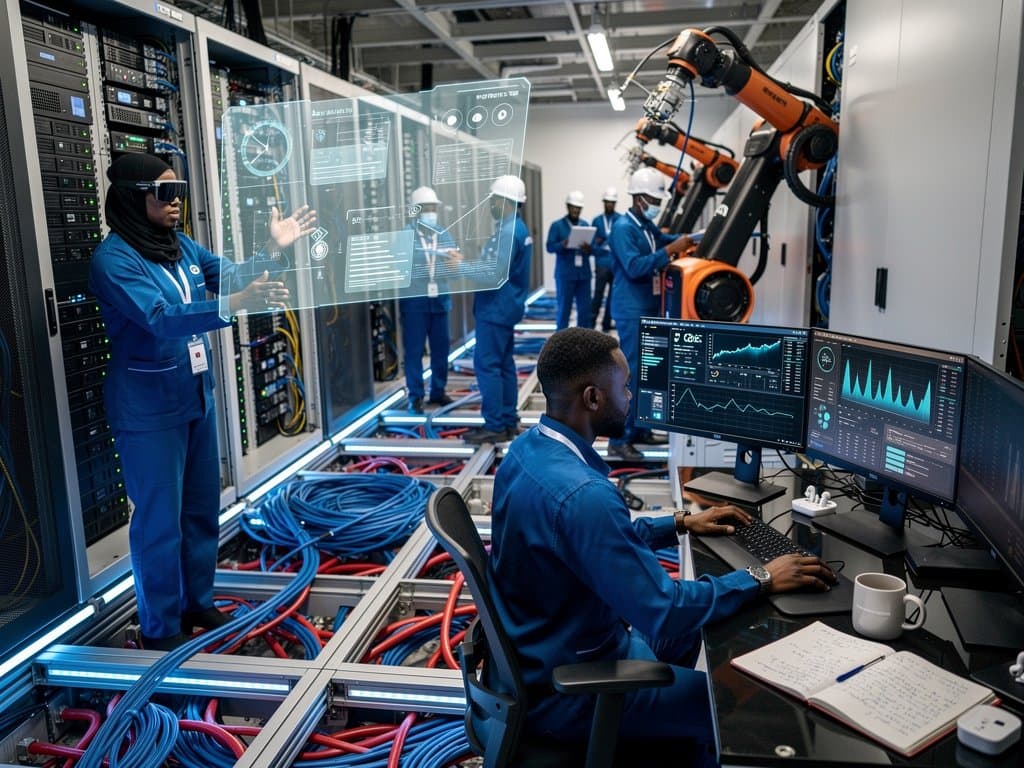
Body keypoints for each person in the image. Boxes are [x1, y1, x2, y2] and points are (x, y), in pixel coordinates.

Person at [489, 327, 836, 760]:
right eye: (625, 386)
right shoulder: (585, 496)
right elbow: (664, 611)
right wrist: (761, 576)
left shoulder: (526, 453)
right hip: (573, 691)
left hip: (546, 658)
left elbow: (585, 546)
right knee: (726, 707)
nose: (632, 395)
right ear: (593, 398)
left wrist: (680, 522)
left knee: (702, 630)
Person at [88, 153, 316, 651]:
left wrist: (271, 251)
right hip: (147, 409)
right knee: (158, 523)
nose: (176, 205)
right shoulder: (115, 260)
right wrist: (231, 307)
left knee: (198, 511)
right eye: (165, 194)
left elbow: (229, 275)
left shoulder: (180, 247)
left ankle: (197, 601)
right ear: (133, 197)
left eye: (180, 193)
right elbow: (161, 316)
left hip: (193, 397)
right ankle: (161, 628)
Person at [608, 167, 693, 461]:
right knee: (629, 374)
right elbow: (634, 266)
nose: (657, 205)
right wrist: (671, 250)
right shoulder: (623, 228)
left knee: (647, 373)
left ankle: (640, 428)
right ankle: (620, 439)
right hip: (631, 310)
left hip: (647, 307)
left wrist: (692, 238)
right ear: (639, 198)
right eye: (654, 199)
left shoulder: (644, 225)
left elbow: (664, 237)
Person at [463, 175, 533, 445]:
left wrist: (460, 266)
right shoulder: (518, 228)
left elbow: (492, 273)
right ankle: (507, 419)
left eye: (493, 199)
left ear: (504, 201)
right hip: (507, 307)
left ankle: (494, 425)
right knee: (504, 365)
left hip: (495, 308)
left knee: (488, 365)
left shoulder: (507, 232)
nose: (490, 204)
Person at [399, 186, 463, 413]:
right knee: (414, 351)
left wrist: (453, 262)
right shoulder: (406, 235)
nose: (430, 212)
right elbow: (399, 269)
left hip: (440, 303)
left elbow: (455, 273)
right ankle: (415, 396)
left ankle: (438, 391)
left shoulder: (444, 234)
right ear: (415, 211)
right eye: (426, 208)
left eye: (433, 208)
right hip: (414, 303)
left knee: (441, 349)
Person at [546, 190, 592, 329]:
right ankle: (561, 343)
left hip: (583, 274)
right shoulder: (557, 225)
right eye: (573, 207)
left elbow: (592, 249)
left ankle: (584, 342)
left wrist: (588, 249)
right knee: (564, 310)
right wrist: (562, 244)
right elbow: (549, 247)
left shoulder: (585, 224)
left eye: (578, 208)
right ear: (567, 206)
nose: (576, 210)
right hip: (565, 274)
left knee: (584, 311)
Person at [589, 186, 620, 333]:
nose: (610, 205)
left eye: (612, 202)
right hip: (601, 264)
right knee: (598, 295)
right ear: (604, 202)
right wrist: (600, 245)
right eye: (607, 202)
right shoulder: (597, 221)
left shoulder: (620, 219)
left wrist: (605, 241)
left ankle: (606, 324)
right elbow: (591, 244)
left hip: (615, 264)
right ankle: (591, 324)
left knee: (612, 297)